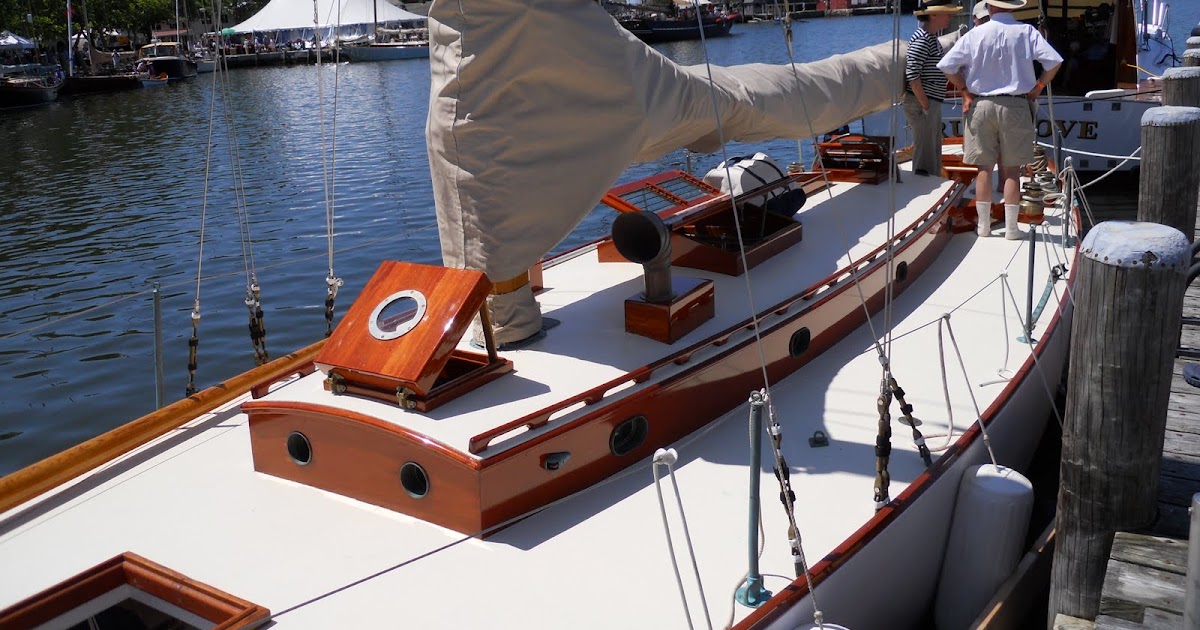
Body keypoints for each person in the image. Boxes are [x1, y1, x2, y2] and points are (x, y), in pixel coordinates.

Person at [937, 0, 1062, 239]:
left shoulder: (975, 34)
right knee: (1012, 171)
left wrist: (964, 90)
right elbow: (1054, 62)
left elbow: (947, 65)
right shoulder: (1026, 32)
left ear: (990, 8)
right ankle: (1012, 229)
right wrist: (1038, 86)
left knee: (984, 170)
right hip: (1016, 105)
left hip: (981, 104)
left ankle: (983, 227)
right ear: (1013, 7)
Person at [903, 0, 961, 178]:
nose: (950, 17)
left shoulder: (930, 38)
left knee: (932, 151)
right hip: (924, 104)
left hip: (928, 102)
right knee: (925, 155)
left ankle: (932, 186)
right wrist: (926, 105)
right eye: (946, 13)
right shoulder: (923, 39)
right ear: (933, 15)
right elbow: (912, 75)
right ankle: (924, 189)